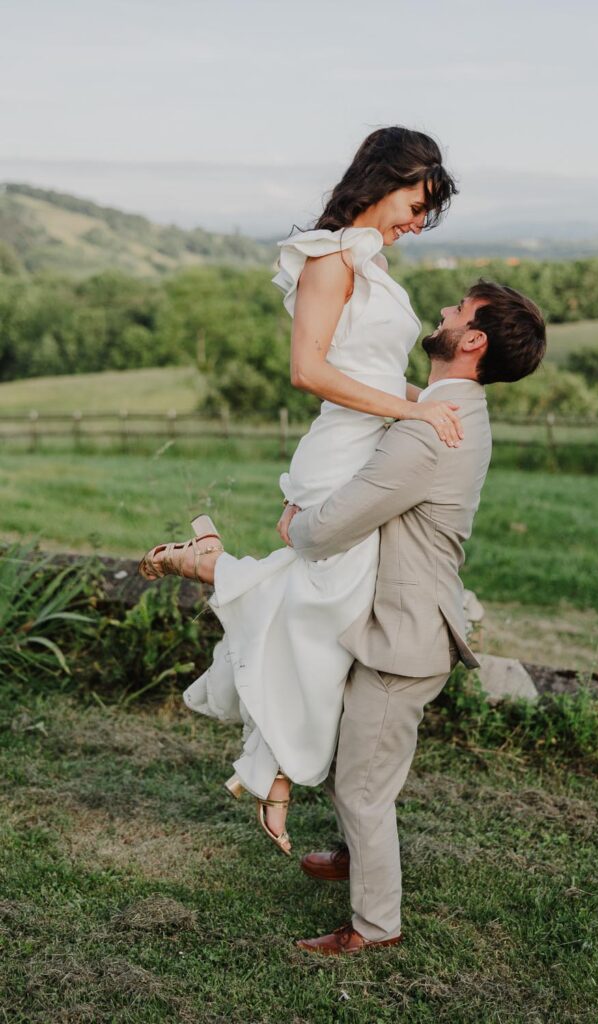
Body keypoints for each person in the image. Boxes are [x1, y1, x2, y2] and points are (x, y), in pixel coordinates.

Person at [139, 126, 461, 854]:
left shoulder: (369, 265)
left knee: (318, 608)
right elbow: (309, 372)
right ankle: (274, 769)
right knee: (326, 610)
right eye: (416, 202)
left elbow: (372, 372)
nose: (418, 220)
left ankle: (212, 573)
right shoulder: (328, 260)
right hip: (340, 449)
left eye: (427, 212)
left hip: (371, 440)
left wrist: (432, 405)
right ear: (382, 179)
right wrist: (412, 409)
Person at [279, 280, 547, 954]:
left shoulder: (429, 436)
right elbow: (401, 402)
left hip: (405, 637)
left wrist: (293, 526)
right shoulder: (451, 407)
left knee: (363, 783)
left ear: (473, 339)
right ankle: (354, 856)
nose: (444, 313)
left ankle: (374, 927)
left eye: (457, 311)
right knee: (362, 762)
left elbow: (335, 523)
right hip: (405, 618)